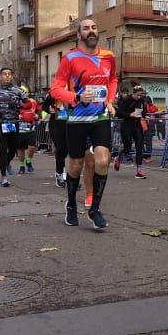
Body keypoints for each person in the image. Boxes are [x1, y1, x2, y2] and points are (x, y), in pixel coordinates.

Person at [51, 18, 118, 230]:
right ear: (79, 35)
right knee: (76, 165)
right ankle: (71, 204)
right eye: (86, 28)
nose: (91, 31)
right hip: (77, 119)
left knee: (102, 161)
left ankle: (94, 209)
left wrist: (110, 100)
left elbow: (113, 79)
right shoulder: (70, 58)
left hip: (100, 117)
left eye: (94, 28)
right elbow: (56, 89)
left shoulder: (108, 56)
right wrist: (77, 97)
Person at [0, 67, 26, 186]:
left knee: (13, 149)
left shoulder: (19, 91)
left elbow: (28, 104)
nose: (7, 76)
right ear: (1, 76)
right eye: (4, 74)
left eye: (9, 74)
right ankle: (4, 177)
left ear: (12, 76)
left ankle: (7, 162)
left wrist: (19, 105)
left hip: (13, 123)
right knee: (3, 148)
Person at [114, 82, 149, 178]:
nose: (139, 97)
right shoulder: (126, 100)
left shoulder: (141, 100)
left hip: (137, 125)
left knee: (139, 147)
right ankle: (119, 157)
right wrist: (130, 114)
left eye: (141, 95)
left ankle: (139, 170)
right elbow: (119, 113)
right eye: (137, 95)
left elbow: (143, 111)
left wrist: (145, 116)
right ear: (133, 93)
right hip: (127, 125)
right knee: (128, 148)